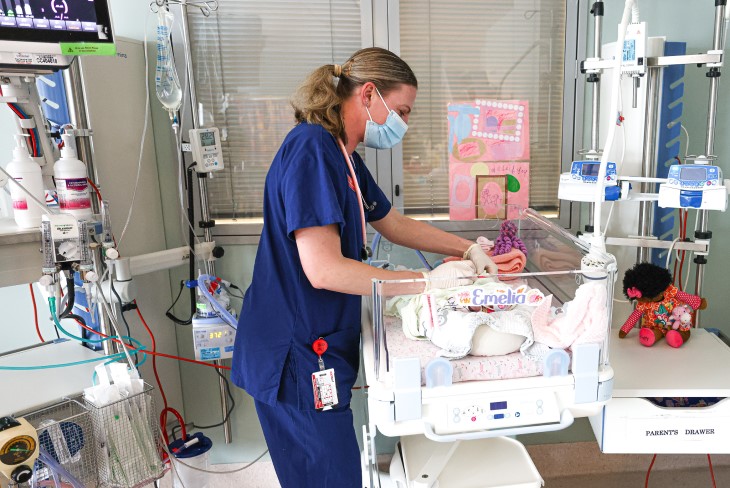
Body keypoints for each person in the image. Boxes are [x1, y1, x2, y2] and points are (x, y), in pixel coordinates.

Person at [230, 47, 497, 487]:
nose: (404, 125)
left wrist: (468, 249)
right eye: (402, 111)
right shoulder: (312, 149)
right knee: (330, 478)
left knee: (334, 472)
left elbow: (391, 223)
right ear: (370, 94)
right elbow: (324, 270)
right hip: (294, 354)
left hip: (315, 345)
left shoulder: (346, 158)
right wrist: (425, 284)